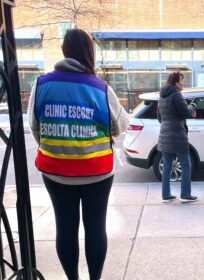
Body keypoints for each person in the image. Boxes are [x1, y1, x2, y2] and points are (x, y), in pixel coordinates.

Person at [28, 28, 129, 280]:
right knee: (95, 227)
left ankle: (72, 278)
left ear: (64, 52)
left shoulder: (41, 85)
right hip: (97, 173)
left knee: (65, 228)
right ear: (89, 53)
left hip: (56, 172)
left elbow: (35, 127)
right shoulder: (100, 88)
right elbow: (120, 126)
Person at [157, 71, 197, 203]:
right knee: (186, 165)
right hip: (178, 136)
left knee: (167, 165)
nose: (182, 83)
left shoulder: (161, 96)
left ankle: (166, 195)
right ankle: (185, 195)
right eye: (181, 81)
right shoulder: (177, 95)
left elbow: (159, 118)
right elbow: (186, 113)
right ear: (175, 83)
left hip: (164, 135)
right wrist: (192, 106)